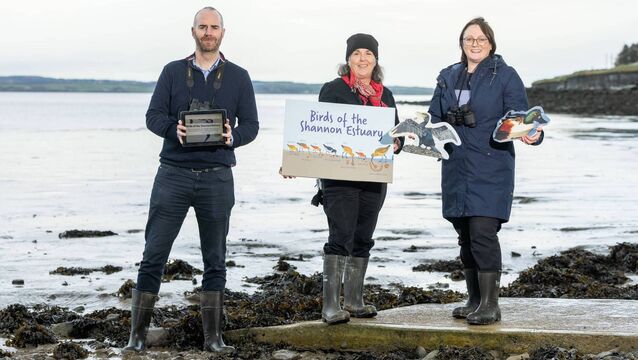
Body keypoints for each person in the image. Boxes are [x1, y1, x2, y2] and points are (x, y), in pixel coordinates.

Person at [124, 7, 258, 353]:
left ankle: (213, 338)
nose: (208, 32)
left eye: (214, 27)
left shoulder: (240, 77)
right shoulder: (172, 72)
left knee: (215, 258)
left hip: (217, 178)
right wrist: (175, 130)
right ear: (193, 31)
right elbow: (153, 116)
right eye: (203, 27)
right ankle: (137, 337)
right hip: (173, 175)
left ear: (223, 33)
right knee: (154, 254)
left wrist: (233, 137)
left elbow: (252, 126)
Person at [427, 17, 543, 325]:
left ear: (490, 43)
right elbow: (433, 118)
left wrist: (533, 134)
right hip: (456, 166)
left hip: (492, 166)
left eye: (480, 39)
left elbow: (522, 119)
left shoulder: (505, 76)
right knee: (464, 234)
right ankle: (474, 299)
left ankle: (491, 305)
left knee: (482, 232)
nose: (474, 43)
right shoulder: (447, 76)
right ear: (461, 43)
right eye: (469, 39)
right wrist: (415, 136)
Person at [317, 33, 403, 324]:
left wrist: (398, 144)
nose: (362, 59)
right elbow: (319, 131)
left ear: (376, 59)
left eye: (368, 53)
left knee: (363, 238)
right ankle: (330, 306)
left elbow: (396, 135)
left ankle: (353, 300)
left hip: (374, 178)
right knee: (339, 237)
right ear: (348, 59)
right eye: (356, 54)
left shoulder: (386, 95)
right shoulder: (333, 90)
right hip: (339, 178)